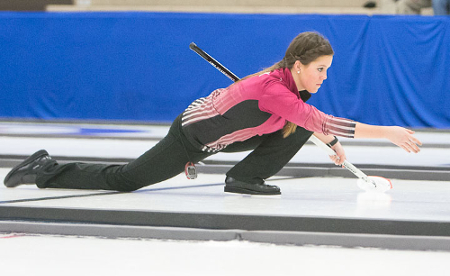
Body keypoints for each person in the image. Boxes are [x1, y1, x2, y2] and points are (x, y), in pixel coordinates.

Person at [3, 32, 422, 195]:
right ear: (298, 66)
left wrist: (329, 143)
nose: (324, 77)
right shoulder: (274, 90)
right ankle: (45, 168)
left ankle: (243, 177)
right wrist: (387, 132)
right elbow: (324, 122)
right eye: (320, 70)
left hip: (224, 134)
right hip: (192, 136)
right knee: (126, 180)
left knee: (297, 127)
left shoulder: (289, 90)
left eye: (327, 70)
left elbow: (309, 122)